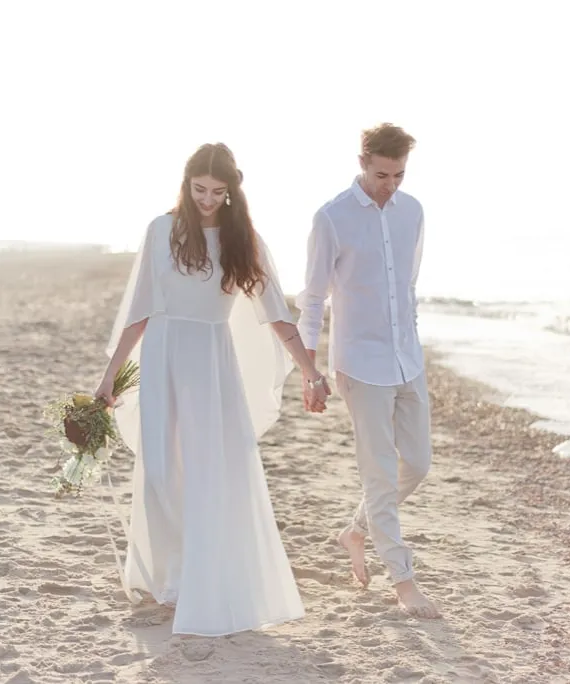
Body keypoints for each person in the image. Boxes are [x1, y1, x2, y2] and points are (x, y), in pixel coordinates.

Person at [96, 143, 330, 637]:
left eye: (217, 191)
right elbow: (138, 312)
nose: (206, 199)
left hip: (211, 364)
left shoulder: (244, 239)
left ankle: (194, 583)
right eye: (199, 189)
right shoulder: (161, 231)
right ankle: (169, 578)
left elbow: (277, 316)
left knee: (206, 472)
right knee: (160, 469)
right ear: (186, 185)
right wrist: (107, 381)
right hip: (161, 356)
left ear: (231, 192)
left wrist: (311, 370)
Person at [296, 123, 440, 619]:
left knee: (416, 464)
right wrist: (309, 367)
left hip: (407, 359)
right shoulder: (331, 218)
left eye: (399, 174)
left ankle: (356, 529)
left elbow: (409, 286)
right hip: (359, 364)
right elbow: (312, 298)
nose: (391, 184)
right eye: (382, 174)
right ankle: (404, 583)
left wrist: (413, 343)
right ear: (363, 163)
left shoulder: (414, 212)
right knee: (379, 476)